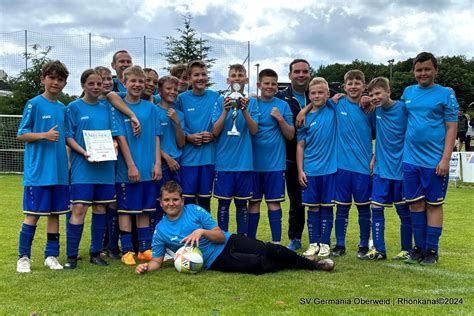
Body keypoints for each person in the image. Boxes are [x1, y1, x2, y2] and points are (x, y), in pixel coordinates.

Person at [135, 181, 334, 275]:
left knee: (270, 249)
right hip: (215, 259)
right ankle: (294, 262)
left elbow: (220, 237)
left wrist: (202, 232)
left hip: (229, 240)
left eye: (175, 200)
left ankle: (312, 264)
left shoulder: (194, 210)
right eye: (167, 200)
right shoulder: (161, 230)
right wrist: (146, 267)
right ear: (160, 203)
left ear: (182, 200)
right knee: (257, 265)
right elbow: (157, 261)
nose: (171, 204)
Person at [298, 70, 374, 258]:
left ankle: (364, 244)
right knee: (341, 208)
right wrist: (303, 109)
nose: (354, 86)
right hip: (340, 167)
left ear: (364, 86)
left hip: (364, 167)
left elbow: (381, 133)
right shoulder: (336, 104)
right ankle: (339, 244)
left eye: (358, 82)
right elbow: (317, 101)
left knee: (364, 208)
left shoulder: (370, 107)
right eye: (350, 83)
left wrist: (375, 156)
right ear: (344, 86)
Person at [402, 52, 458, 265]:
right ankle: (419, 248)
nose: (423, 73)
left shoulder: (445, 94)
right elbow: (397, 113)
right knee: (415, 205)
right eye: (419, 70)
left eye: (427, 69)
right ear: (414, 72)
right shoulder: (408, 92)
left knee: (434, 205)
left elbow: (451, 128)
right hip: (410, 160)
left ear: (435, 70)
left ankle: (432, 251)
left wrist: (445, 159)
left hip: (434, 161)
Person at [16, 60, 70, 273]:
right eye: (52, 78)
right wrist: (44, 136)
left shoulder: (63, 108)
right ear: (43, 79)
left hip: (58, 172)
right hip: (38, 172)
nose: (55, 82)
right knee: (33, 214)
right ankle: (23, 257)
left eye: (60, 79)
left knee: (55, 214)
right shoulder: (34, 104)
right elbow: (21, 134)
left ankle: (51, 255)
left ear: (65, 83)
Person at [63, 69, 116, 268]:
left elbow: (114, 134)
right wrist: (84, 152)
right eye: (91, 83)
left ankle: (96, 253)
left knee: (101, 207)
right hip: (83, 167)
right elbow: (68, 136)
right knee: (79, 207)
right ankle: (71, 256)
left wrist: (115, 145)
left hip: (105, 167)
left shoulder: (106, 108)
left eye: (99, 84)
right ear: (83, 84)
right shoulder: (73, 107)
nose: (95, 87)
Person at [112, 65, 163, 265]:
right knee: (126, 210)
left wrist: (157, 163)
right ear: (124, 83)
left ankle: (144, 248)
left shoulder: (151, 108)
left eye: (141, 82)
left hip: (148, 167)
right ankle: (127, 250)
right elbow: (122, 138)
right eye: (133, 81)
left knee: (145, 210)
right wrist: (131, 165)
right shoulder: (119, 107)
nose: (137, 85)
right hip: (127, 169)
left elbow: (157, 136)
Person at [361, 77, 412, 261]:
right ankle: (379, 250)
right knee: (376, 208)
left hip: (400, 170)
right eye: (372, 94)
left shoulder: (404, 109)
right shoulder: (376, 112)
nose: (374, 97)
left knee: (403, 211)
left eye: (378, 93)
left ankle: (407, 249)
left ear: (388, 91)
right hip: (381, 170)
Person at [248, 69, 294, 244]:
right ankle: (251, 242)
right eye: (266, 83)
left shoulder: (282, 106)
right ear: (259, 85)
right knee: (253, 203)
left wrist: (280, 119)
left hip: (275, 165)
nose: (270, 86)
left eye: (273, 84)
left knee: (274, 203)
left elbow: (290, 135)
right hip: (252, 164)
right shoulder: (251, 103)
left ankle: (276, 244)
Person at [212, 64, 258, 235]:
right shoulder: (219, 101)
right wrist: (225, 111)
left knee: (242, 205)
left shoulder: (252, 102)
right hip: (224, 163)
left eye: (240, 75)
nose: (237, 78)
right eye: (233, 75)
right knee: (223, 204)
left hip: (244, 163)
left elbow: (254, 130)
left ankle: (242, 240)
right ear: (228, 80)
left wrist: (245, 111)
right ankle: (222, 240)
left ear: (246, 80)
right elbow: (215, 132)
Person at [296, 77, 337, 257]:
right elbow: (300, 146)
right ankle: (313, 243)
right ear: (308, 95)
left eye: (321, 92)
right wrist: (300, 170)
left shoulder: (333, 109)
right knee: (313, 208)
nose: (317, 96)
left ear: (328, 94)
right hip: (310, 170)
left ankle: (326, 243)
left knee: (327, 208)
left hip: (330, 170)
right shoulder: (303, 119)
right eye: (313, 93)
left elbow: (343, 96)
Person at [275, 59, 311, 251]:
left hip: (316, 157)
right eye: (296, 71)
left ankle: (319, 239)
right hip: (289, 156)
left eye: (304, 71)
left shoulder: (319, 92)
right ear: (289, 75)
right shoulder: (281, 97)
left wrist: (306, 108)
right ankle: (295, 237)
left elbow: (336, 96)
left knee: (318, 199)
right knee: (296, 199)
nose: (301, 75)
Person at [175, 60, 219, 211]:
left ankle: (204, 234)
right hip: (188, 160)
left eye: (203, 74)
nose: (200, 78)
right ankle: (188, 234)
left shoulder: (216, 97)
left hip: (208, 159)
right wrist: (188, 137)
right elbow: (177, 123)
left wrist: (213, 134)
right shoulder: (182, 98)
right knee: (187, 202)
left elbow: (220, 121)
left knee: (205, 202)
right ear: (189, 77)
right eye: (196, 75)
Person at [152, 75, 185, 228]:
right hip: (162, 165)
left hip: (176, 165)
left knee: (175, 204)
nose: (172, 92)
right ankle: (157, 238)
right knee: (160, 203)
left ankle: (175, 237)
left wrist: (177, 122)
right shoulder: (154, 111)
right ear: (160, 90)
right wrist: (166, 158)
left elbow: (181, 142)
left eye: (175, 90)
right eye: (169, 89)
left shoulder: (179, 114)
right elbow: (151, 141)